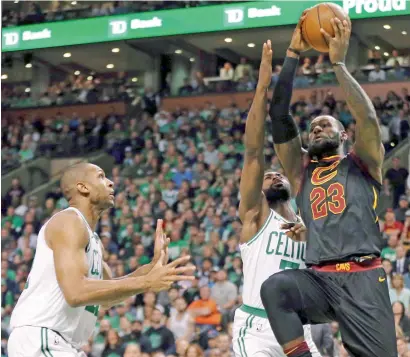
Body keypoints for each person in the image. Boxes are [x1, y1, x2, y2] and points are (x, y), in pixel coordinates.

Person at [260, 14, 396, 357]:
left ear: (343, 135)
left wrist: (338, 64)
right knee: (276, 288)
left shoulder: (363, 161)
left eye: (325, 125)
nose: (317, 129)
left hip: (365, 278)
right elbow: (278, 116)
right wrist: (291, 54)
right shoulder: (301, 169)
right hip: (319, 279)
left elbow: (367, 117)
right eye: (313, 127)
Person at [7, 162, 195, 357]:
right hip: (41, 338)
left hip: (59, 342)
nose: (111, 182)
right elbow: (76, 292)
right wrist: (146, 281)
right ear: (83, 187)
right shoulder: (69, 221)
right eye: (101, 176)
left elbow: (106, 296)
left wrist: (151, 269)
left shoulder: (93, 240)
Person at [231, 41, 320, 357]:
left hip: (298, 327)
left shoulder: (307, 218)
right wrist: (262, 87)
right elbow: (253, 151)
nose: (274, 176)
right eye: (268, 176)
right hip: (256, 328)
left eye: (278, 174)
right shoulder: (255, 216)